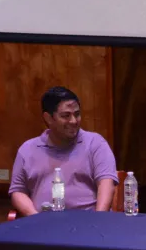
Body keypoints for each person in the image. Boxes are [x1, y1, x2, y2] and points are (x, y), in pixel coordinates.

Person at [9, 86, 118, 216]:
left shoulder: (95, 143)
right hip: (43, 225)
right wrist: (35, 218)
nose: (73, 121)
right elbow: (18, 192)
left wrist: (98, 220)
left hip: (87, 224)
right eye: (66, 116)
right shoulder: (27, 149)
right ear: (48, 118)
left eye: (77, 114)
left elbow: (106, 183)